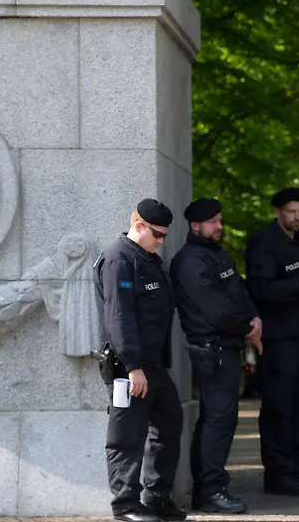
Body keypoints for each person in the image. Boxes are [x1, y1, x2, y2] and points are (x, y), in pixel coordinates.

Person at [94, 199, 185, 522]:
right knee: (127, 436)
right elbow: (118, 317)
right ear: (139, 226)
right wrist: (133, 366)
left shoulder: (147, 259)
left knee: (169, 423)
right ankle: (125, 505)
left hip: (152, 366)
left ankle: (157, 497)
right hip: (128, 367)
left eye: (164, 236)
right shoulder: (119, 259)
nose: (161, 241)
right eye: (157, 234)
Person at [169, 198, 262, 513]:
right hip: (213, 348)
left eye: (220, 220)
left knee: (220, 419)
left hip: (227, 346)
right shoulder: (190, 262)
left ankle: (210, 488)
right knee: (218, 420)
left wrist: (254, 317)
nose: (219, 226)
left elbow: (239, 291)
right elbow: (215, 309)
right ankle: (210, 491)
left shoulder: (218, 255)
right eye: (213, 222)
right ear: (195, 225)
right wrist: (247, 329)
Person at [244, 187, 299, 496]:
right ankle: (278, 474)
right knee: (278, 408)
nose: (297, 217)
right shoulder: (264, 244)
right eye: (291, 212)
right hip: (276, 339)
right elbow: (259, 291)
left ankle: (298, 469)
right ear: (278, 212)